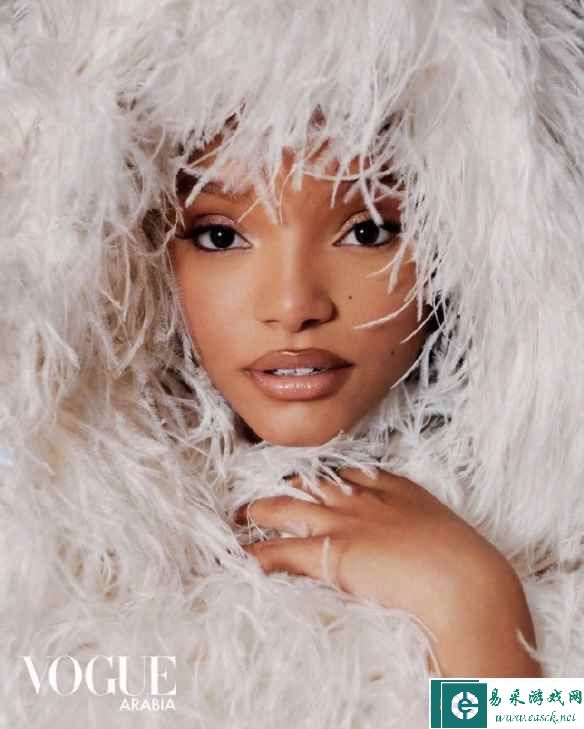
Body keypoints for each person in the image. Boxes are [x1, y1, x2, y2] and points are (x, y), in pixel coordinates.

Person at [2, 2, 583, 727]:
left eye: (368, 229)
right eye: (220, 236)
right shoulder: (43, 555)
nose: (293, 305)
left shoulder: (554, 546)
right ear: (133, 242)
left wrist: (476, 610)